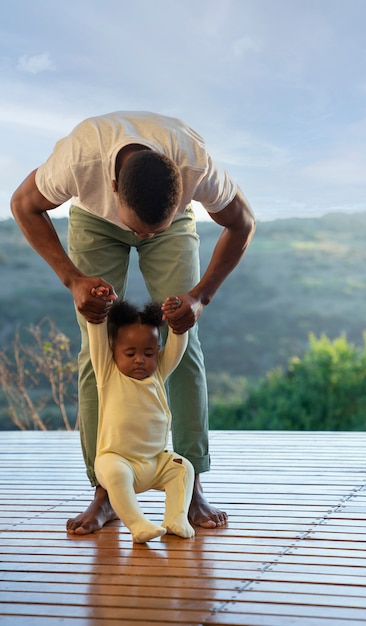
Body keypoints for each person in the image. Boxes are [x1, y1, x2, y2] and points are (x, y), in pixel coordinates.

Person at [10, 110, 256, 534]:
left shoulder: (195, 163)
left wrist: (200, 297)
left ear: (184, 192)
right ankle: (105, 492)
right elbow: (23, 205)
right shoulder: (78, 159)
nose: (143, 238)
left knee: (183, 342)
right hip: (93, 220)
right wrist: (73, 280)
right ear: (113, 188)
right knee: (97, 352)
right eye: (138, 229)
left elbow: (243, 222)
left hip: (173, 227)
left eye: (150, 231)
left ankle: (189, 482)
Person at [88, 292, 194, 543]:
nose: (140, 360)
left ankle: (175, 518)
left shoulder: (157, 375)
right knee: (115, 473)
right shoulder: (108, 374)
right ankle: (137, 524)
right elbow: (97, 336)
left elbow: (178, 345)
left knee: (183, 468)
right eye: (130, 353)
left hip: (154, 462)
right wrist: (99, 312)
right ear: (113, 350)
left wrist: (178, 324)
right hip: (117, 461)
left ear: (157, 352)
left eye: (148, 353)